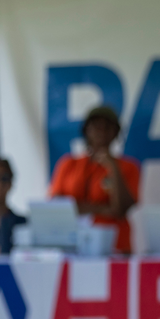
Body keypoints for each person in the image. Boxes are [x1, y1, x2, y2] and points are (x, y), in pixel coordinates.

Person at [49, 105, 139, 254]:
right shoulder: (68, 164)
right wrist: (104, 209)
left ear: (116, 133)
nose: (101, 131)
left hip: (115, 245)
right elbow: (57, 206)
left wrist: (113, 167)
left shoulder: (128, 167)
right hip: (72, 243)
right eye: (96, 126)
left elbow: (120, 210)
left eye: (107, 127)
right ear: (86, 130)